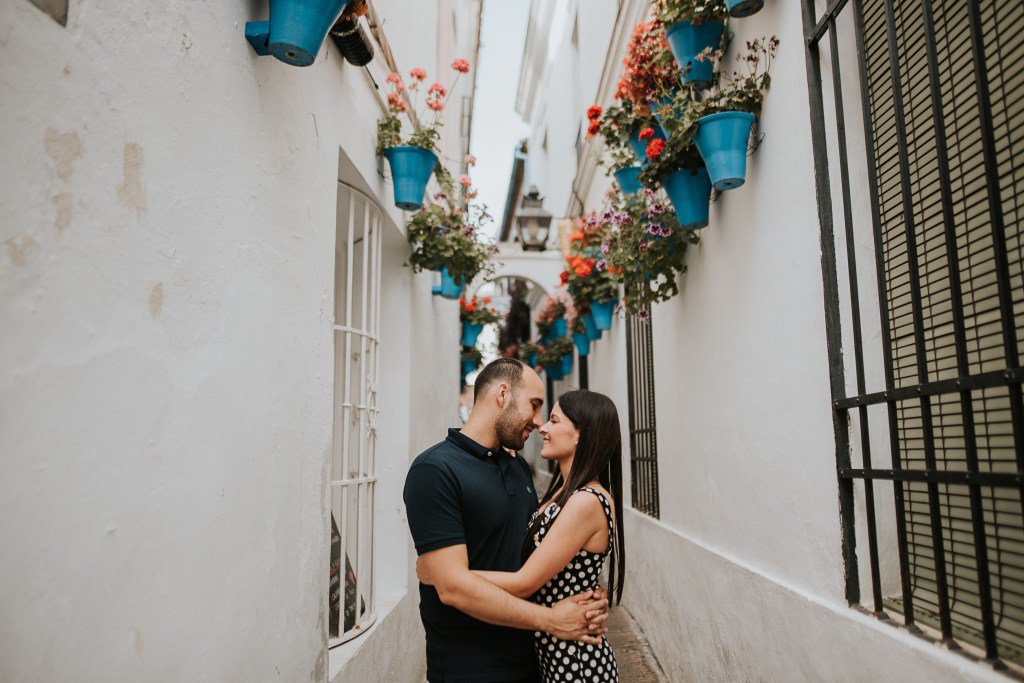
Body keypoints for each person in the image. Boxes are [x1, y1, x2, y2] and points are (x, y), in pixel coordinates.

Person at [404, 359, 609, 683]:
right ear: (503, 394)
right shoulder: (436, 470)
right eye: (535, 405)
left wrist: (587, 595)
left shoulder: (516, 467)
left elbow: (535, 553)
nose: (538, 422)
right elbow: (453, 589)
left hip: (534, 660)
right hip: (470, 668)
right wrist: (552, 619)